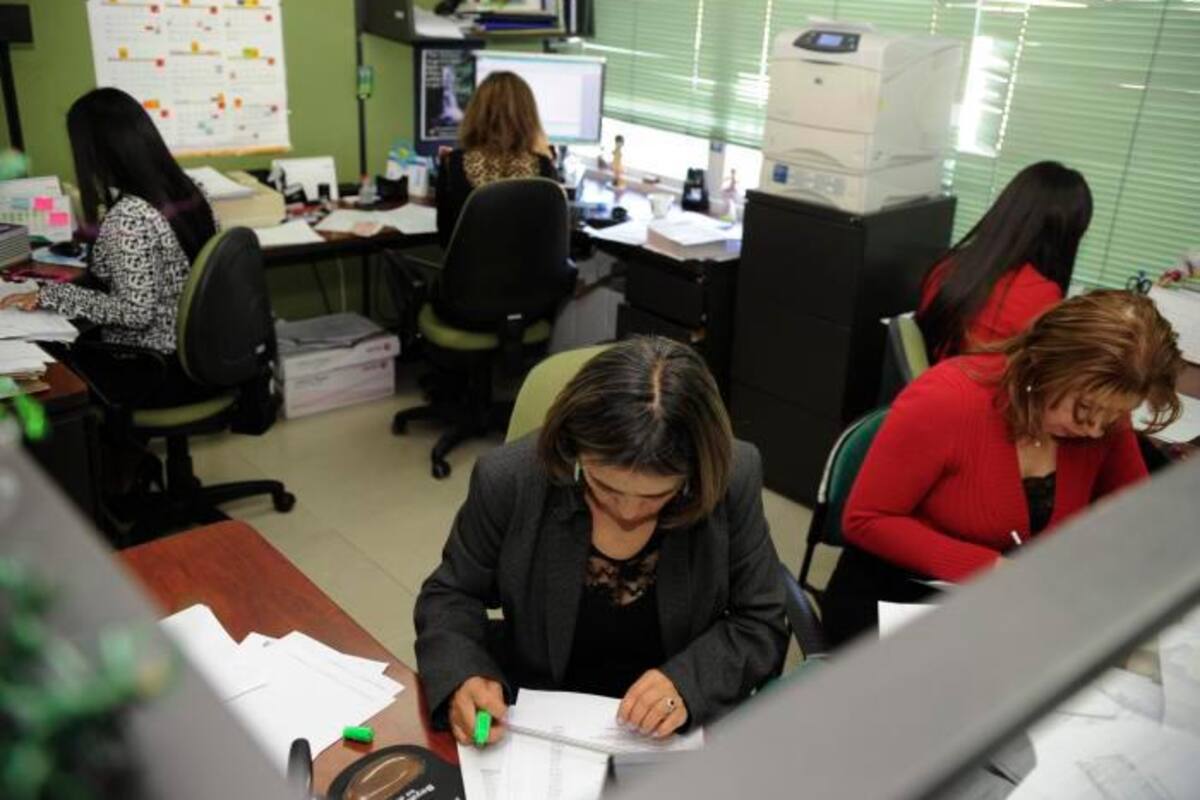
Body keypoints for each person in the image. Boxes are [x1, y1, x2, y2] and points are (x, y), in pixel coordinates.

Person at [414, 337, 788, 745]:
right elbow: (451, 594)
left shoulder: (731, 479)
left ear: (694, 477)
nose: (627, 513)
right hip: (538, 712)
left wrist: (689, 683)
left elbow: (762, 619)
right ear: (575, 450)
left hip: (672, 726)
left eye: (655, 497)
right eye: (605, 488)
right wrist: (465, 673)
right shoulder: (510, 479)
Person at [823, 290, 1182, 646]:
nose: (1096, 429)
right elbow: (865, 519)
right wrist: (993, 569)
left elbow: (1137, 520)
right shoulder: (947, 400)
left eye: (1115, 414)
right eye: (1085, 410)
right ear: (1043, 367)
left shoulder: (1103, 416)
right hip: (897, 593)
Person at [0, 88, 217, 406]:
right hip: (199, 351)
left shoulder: (129, 216)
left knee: (57, 362)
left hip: (154, 365)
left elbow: (135, 313)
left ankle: (120, 454)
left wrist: (49, 295)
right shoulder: (191, 189)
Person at [916, 161, 1093, 359]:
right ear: (1065, 235)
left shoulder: (948, 266)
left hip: (937, 383)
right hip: (979, 388)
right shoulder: (1040, 295)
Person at [435, 71, 556, 249]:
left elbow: (446, 240)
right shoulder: (544, 167)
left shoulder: (452, 163)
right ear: (528, 116)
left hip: (469, 275)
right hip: (529, 276)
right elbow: (552, 241)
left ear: (476, 113)